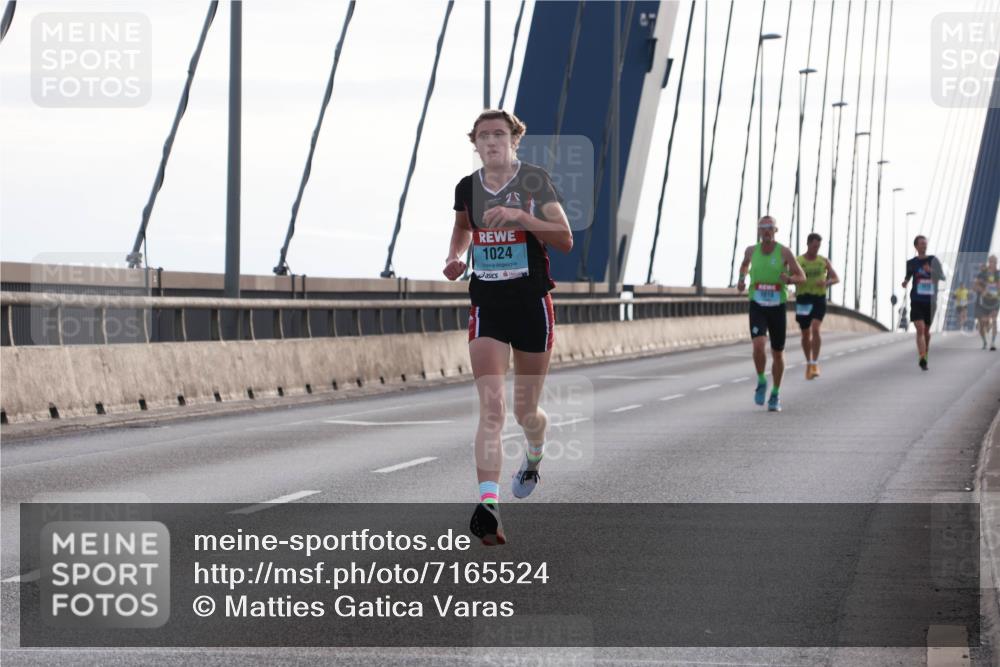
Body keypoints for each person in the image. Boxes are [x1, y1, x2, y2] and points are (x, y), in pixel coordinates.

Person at [443, 109, 573, 545]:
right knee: (493, 409)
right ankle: (489, 506)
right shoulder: (467, 188)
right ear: (475, 144)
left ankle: (534, 455)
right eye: (483, 136)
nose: (492, 141)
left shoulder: (534, 181)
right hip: (488, 305)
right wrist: (455, 257)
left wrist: (521, 218)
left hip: (532, 304)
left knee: (525, 411)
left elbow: (564, 237)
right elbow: (462, 228)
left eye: (499, 134)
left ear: (514, 140)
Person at [737, 216, 806, 412]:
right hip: (757, 303)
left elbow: (802, 276)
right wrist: (741, 280)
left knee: (777, 352)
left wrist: (789, 279)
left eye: (770, 227)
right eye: (763, 228)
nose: (766, 231)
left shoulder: (784, 252)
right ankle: (761, 380)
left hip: (777, 306)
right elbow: (744, 265)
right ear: (759, 231)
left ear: (776, 230)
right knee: (758, 345)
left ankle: (775, 393)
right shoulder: (751, 251)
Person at [795, 232, 839, 379]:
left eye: (818, 247)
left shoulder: (823, 261)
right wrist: (795, 279)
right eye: (814, 246)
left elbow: (836, 278)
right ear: (808, 244)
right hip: (803, 298)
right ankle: (808, 362)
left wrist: (826, 282)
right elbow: (791, 276)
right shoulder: (799, 261)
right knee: (805, 333)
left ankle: (815, 363)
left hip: (818, 298)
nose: (816, 249)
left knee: (815, 328)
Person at [901, 235, 946, 370]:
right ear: (916, 246)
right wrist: (905, 282)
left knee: (926, 331)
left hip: (930, 302)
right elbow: (908, 276)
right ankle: (922, 357)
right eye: (921, 244)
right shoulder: (911, 263)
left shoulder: (933, 260)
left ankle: (925, 353)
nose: (924, 246)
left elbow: (942, 277)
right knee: (920, 328)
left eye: (925, 243)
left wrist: (930, 271)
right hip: (916, 300)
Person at [974, 254, 999, 351]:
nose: (993, 263)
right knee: (982, 323)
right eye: (991, 261)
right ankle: (984, 341)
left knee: (994, 319)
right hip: (982, 302)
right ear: (989, 262)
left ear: (996, 263)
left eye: (994, 262)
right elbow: (975, 286)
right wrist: (982, 290)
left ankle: (992, 343)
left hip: (995, 301)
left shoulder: (998, 273)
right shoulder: (982, 274)